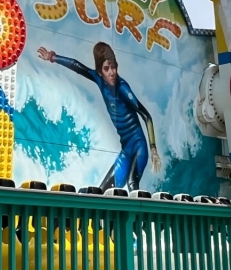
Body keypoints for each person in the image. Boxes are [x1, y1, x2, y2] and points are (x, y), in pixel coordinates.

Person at [38, 42, 160, 191]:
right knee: (103, 192)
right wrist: (53, 57)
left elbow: (146, 116)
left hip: (139, 146)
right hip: (126, 151)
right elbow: (77, 66)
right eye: (106, 69)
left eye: (113, 67)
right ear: (100, 72)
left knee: (132, 184)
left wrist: (153, 149)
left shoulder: (122, 88)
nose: (112, 73)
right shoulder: (98, 78)